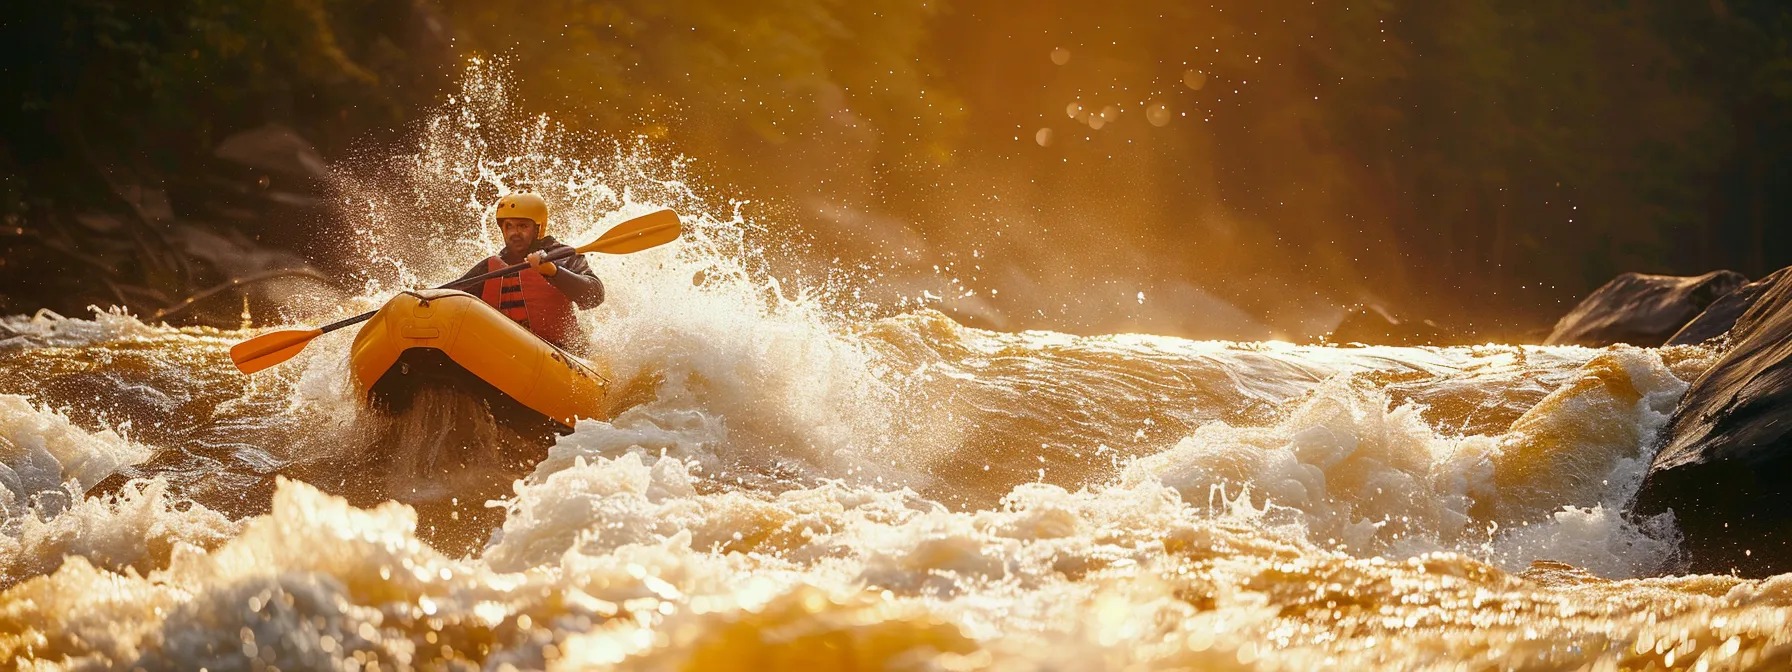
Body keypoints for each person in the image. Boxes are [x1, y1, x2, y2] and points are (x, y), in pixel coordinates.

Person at [453, 192, 604, 352]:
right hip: (509, 355)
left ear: (538, 228)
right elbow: (451, 294)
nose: (514, 233)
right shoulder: (490, 267)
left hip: (564, 354)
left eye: (522, 226)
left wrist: (553, 272)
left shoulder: (562, 257)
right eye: (509, 226)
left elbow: (595, 296)